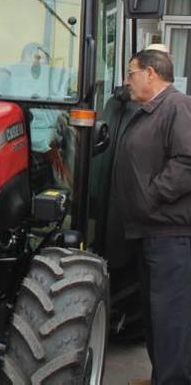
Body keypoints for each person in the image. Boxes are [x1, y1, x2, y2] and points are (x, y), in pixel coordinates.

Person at [112, 48, 191, 385]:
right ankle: (164, 375)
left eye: (131, 73)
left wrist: (152, 197)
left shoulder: (176, 106)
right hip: (149, 230)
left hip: (169, 235)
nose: (127, 81)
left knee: (170, 317)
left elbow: (187, 160)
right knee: (156, 316)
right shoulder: (149, 111)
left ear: (151, 73)